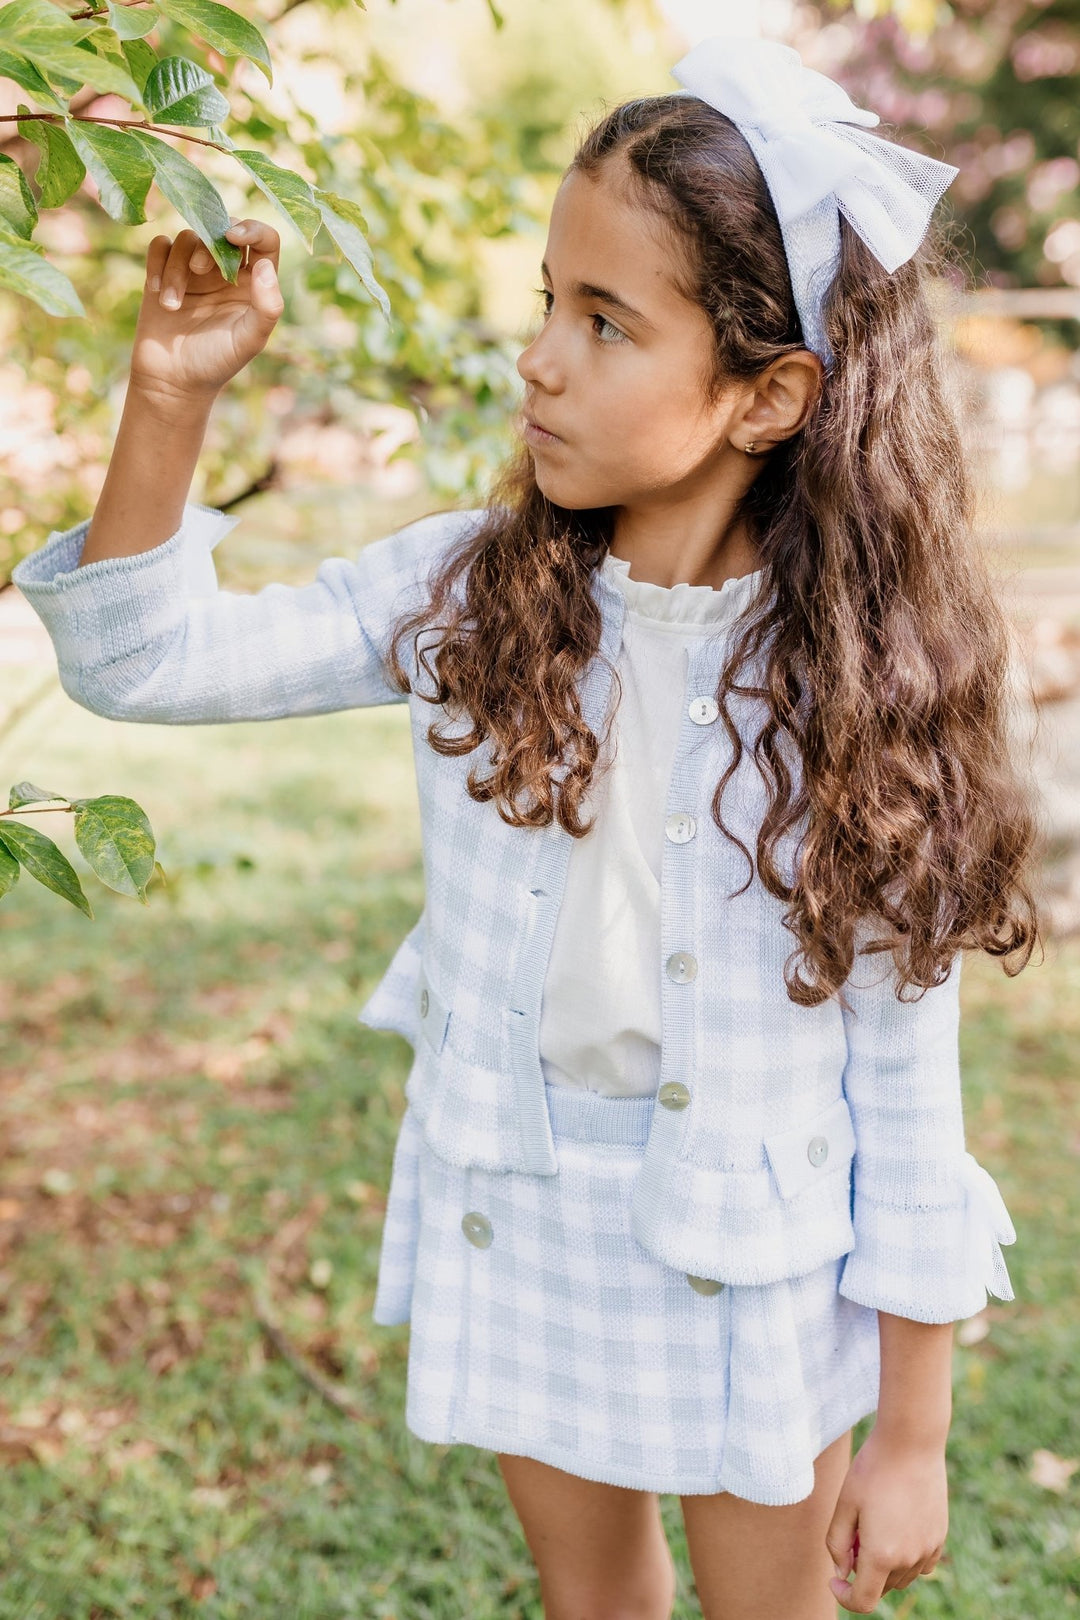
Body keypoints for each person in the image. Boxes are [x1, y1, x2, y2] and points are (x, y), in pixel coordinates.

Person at [15, 32, 1041, 1620]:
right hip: (533, 1204)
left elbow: (907, 1090)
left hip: (751, 1257)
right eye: (547, 305)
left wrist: (915, 1428)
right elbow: (141, 666)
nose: (541, 362)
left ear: (770, 396)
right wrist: (168, 399)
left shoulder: (859, 691)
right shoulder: (466, 594)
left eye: (607, 322)